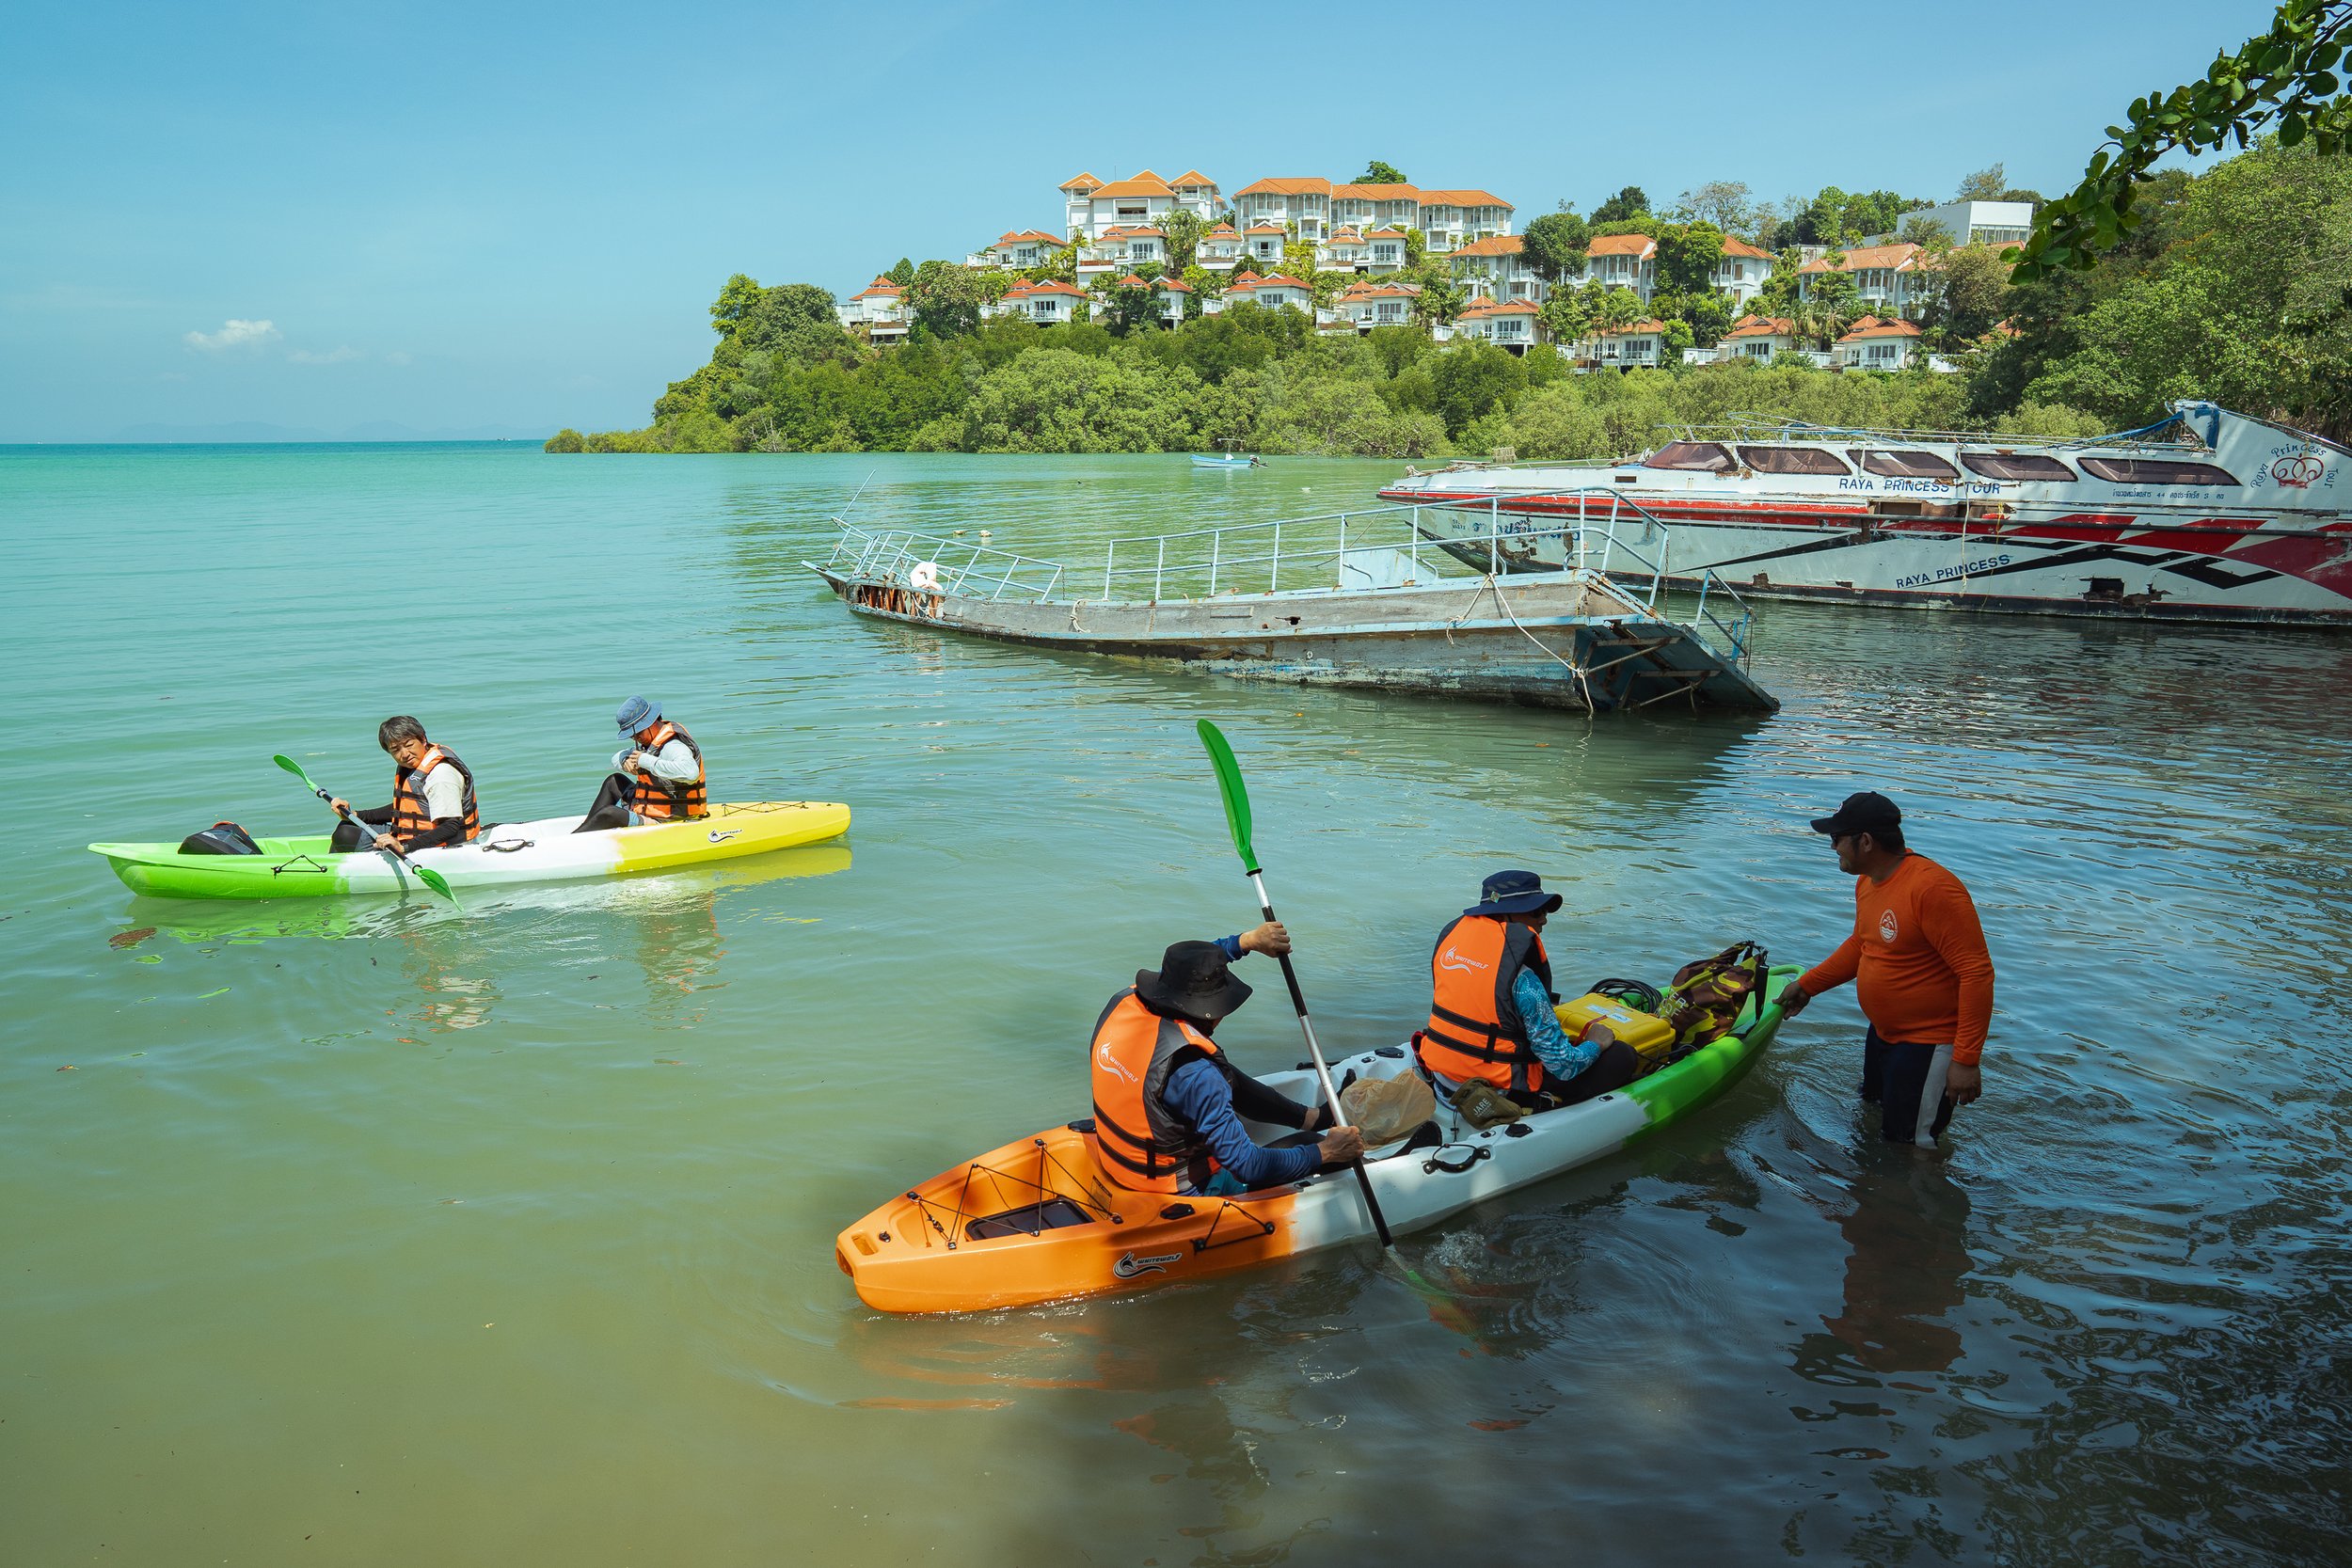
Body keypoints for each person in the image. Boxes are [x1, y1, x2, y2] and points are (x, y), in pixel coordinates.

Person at [1779, 792, 1994, 1148]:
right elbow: (1862, 945)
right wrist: (1807, 985)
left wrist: (1966, 1060)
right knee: (1873, 1116)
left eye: (1836, 839)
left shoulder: (1932, 888)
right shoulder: (1868, 881)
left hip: (1927, 1045)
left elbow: (1976, 974)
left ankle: (1917, 1199)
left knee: (1913, 1147)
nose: (1833, 847)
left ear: (1865, 841)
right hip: (1883, 1034)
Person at [1089, 923, 1365, 1196]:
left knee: (1219, 1071)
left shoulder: (1124, 1002)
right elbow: (1248, 1166)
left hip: (1122, 1163)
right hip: (1180, 1190)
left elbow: (1190, 969)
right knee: (1311, 1146)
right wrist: (1326, 1151)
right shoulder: (1197, 1073)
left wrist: (1247, 941)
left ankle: (1314, 1117)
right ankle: (1326, 1138)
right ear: (1209, 1011)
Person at [1416, 869, 1641, 1110]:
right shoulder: (1524, 981)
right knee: (1622, 1056)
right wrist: (1597, 1042)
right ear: (1506, 914)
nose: (1543, 919)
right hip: (1495, 1093)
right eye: (1536, 911)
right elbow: (1563, 1066)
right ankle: (1547, 1108)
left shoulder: (1451, 947)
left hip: (1443, 1077)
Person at [328, 716, 480, 854]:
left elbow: (450, 827)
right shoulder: (415, 763)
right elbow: (405, 809)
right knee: (347, 826)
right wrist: (355, 815)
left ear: (423, 739)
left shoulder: (441, 775)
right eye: (396, 750)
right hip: (418, 835)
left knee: (346, 834)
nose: (405, 754)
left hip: (445, 845)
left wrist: (403, 847)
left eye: (409, 745)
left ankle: (336, 872)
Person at [575, 697, 707, 832]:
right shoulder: (649, 743)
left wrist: (646, 761)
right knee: (613, 781)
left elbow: (691, 773)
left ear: (652, 723)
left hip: (669, 817)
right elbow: (616, 757)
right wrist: (624, 761)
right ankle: (586, 829)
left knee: (609, 813)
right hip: (647, 807)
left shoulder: (674, 746)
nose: (635, 738)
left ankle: (577, 838)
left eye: (638, 733)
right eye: (632, 736)